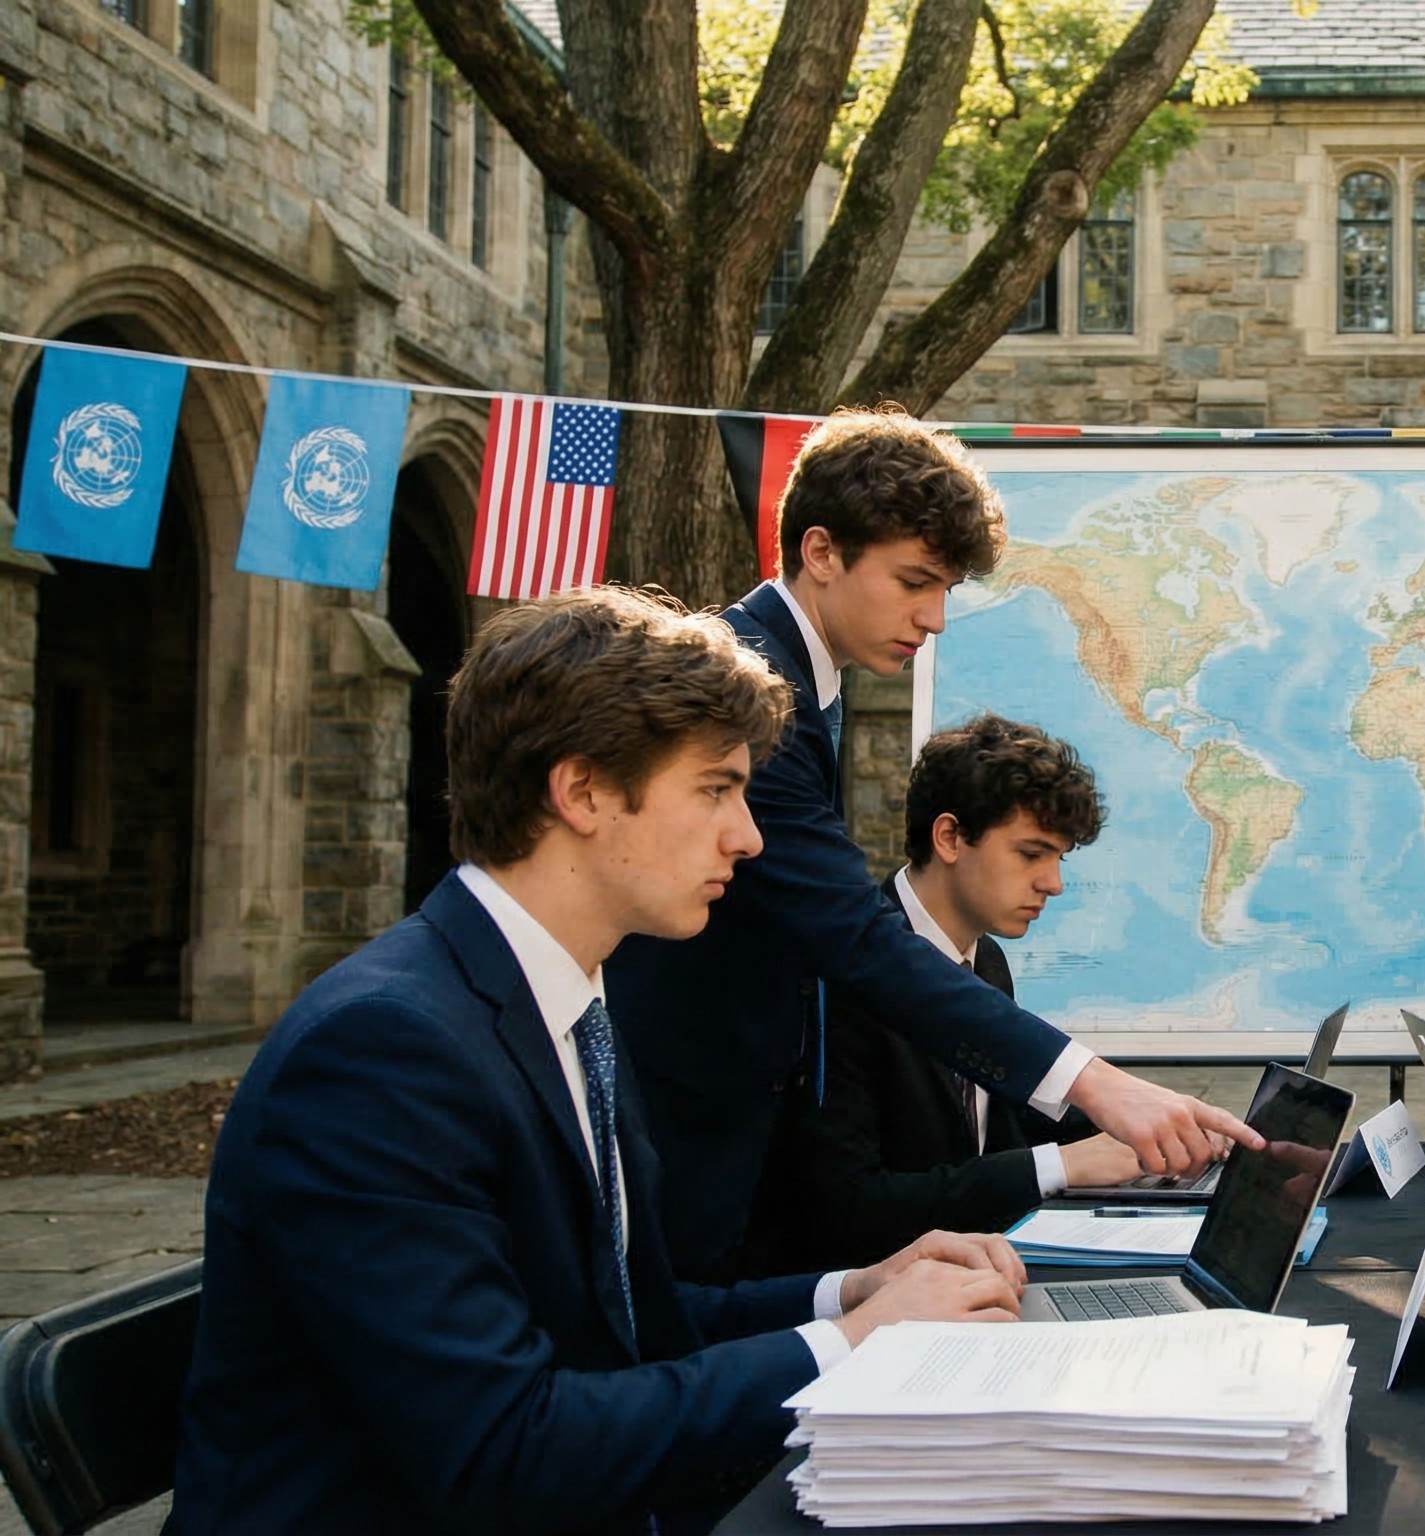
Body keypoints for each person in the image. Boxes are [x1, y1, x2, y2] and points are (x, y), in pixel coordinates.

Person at [170, 588, 1029, 1535]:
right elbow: (504, 1450)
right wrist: (847, 1342)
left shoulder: (568, 1005)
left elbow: (634, 1318)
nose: (748, 836)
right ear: (579, 791)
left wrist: (854, 1290)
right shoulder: (382, 1053)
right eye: (715, 789)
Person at [607, 410, 1256, 1280]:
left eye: (946, 587)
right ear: (822, 552)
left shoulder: (805, 682)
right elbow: (858, 938)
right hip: (694, 1126)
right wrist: (1093, 1082)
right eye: (915, 581)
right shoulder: (748, 686)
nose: (936, 618)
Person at [746, 714, 1146, 1273]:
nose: (1053, 883)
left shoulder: (987, 962)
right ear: (950, 837)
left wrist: (1155, 1136)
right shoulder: (843, 977)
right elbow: (844, 1209)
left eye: (1059, 858)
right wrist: (1061, 1165)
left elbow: (1001, 1125)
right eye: (1031, 854)